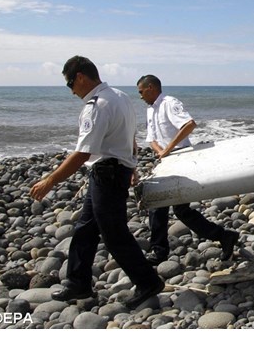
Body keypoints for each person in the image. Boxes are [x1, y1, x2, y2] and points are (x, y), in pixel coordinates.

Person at [30, 56, 164, 309]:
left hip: (108, 174)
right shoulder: (120, 97)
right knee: (85, 228)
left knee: (114, 234)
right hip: (111, 171)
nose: (71, 91)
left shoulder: (97, 105)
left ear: (80, 77)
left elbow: (82, 153)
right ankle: (77, 282)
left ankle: (148, 281)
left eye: (70, 84)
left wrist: (50, 180)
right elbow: (129, 135)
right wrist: (131, 164)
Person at [137, 75, 239, 265]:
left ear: (151, 88)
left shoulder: (169, 103)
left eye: (141, 92)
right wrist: (161, 152)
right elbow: (151, 138)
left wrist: (168, 149)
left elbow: (189, 125)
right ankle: (224, 236)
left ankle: (160, 252)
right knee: (175, 209)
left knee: (166, 205)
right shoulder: (150, 110)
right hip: (166, 160)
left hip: (181, 157)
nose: (140, 96)